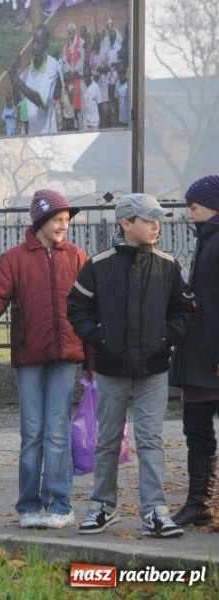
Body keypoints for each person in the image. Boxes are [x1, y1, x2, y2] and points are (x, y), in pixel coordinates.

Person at [0, 189, 88, 530]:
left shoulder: (79, 258)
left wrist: (94, 361)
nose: (62, 227)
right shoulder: (14, 260)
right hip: (30, 356)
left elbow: (90, 312)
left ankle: (59, 504)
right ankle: (28, 505)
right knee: (32, 432)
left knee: (56, 431)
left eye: (66, 221)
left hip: (66, 356)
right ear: (40, 220)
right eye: (57, 220)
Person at [68, 193, 187, 538]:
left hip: (154, 368)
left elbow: (183, 310)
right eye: (148, 219)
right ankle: (102, 507)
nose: (156, 226)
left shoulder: (167, 264)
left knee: (151, 440)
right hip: (111, 367)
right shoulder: (98, 265)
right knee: (106, 440)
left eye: (158, 219)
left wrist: (167, 338)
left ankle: (155, 511)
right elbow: (76, 308)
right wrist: (100, 339)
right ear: (125, 223)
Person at [169, 176, 219, 527]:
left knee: (198, 429)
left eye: (193, 206)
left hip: (210, 355)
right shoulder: (207, 239)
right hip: (199, 353)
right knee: (196, 428)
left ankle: (202, 502)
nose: (188, 213)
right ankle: (200, 503)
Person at [8, 24, 61, 135]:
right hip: (32, 134)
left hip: (48, 134)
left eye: (39, 43)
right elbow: (17, 99)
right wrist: (13, 73)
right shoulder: (28, 69)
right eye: (34, 41)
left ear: (46, 45)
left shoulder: (51, 64)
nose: (34, 47)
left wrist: (16, 79)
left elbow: (41, 101)